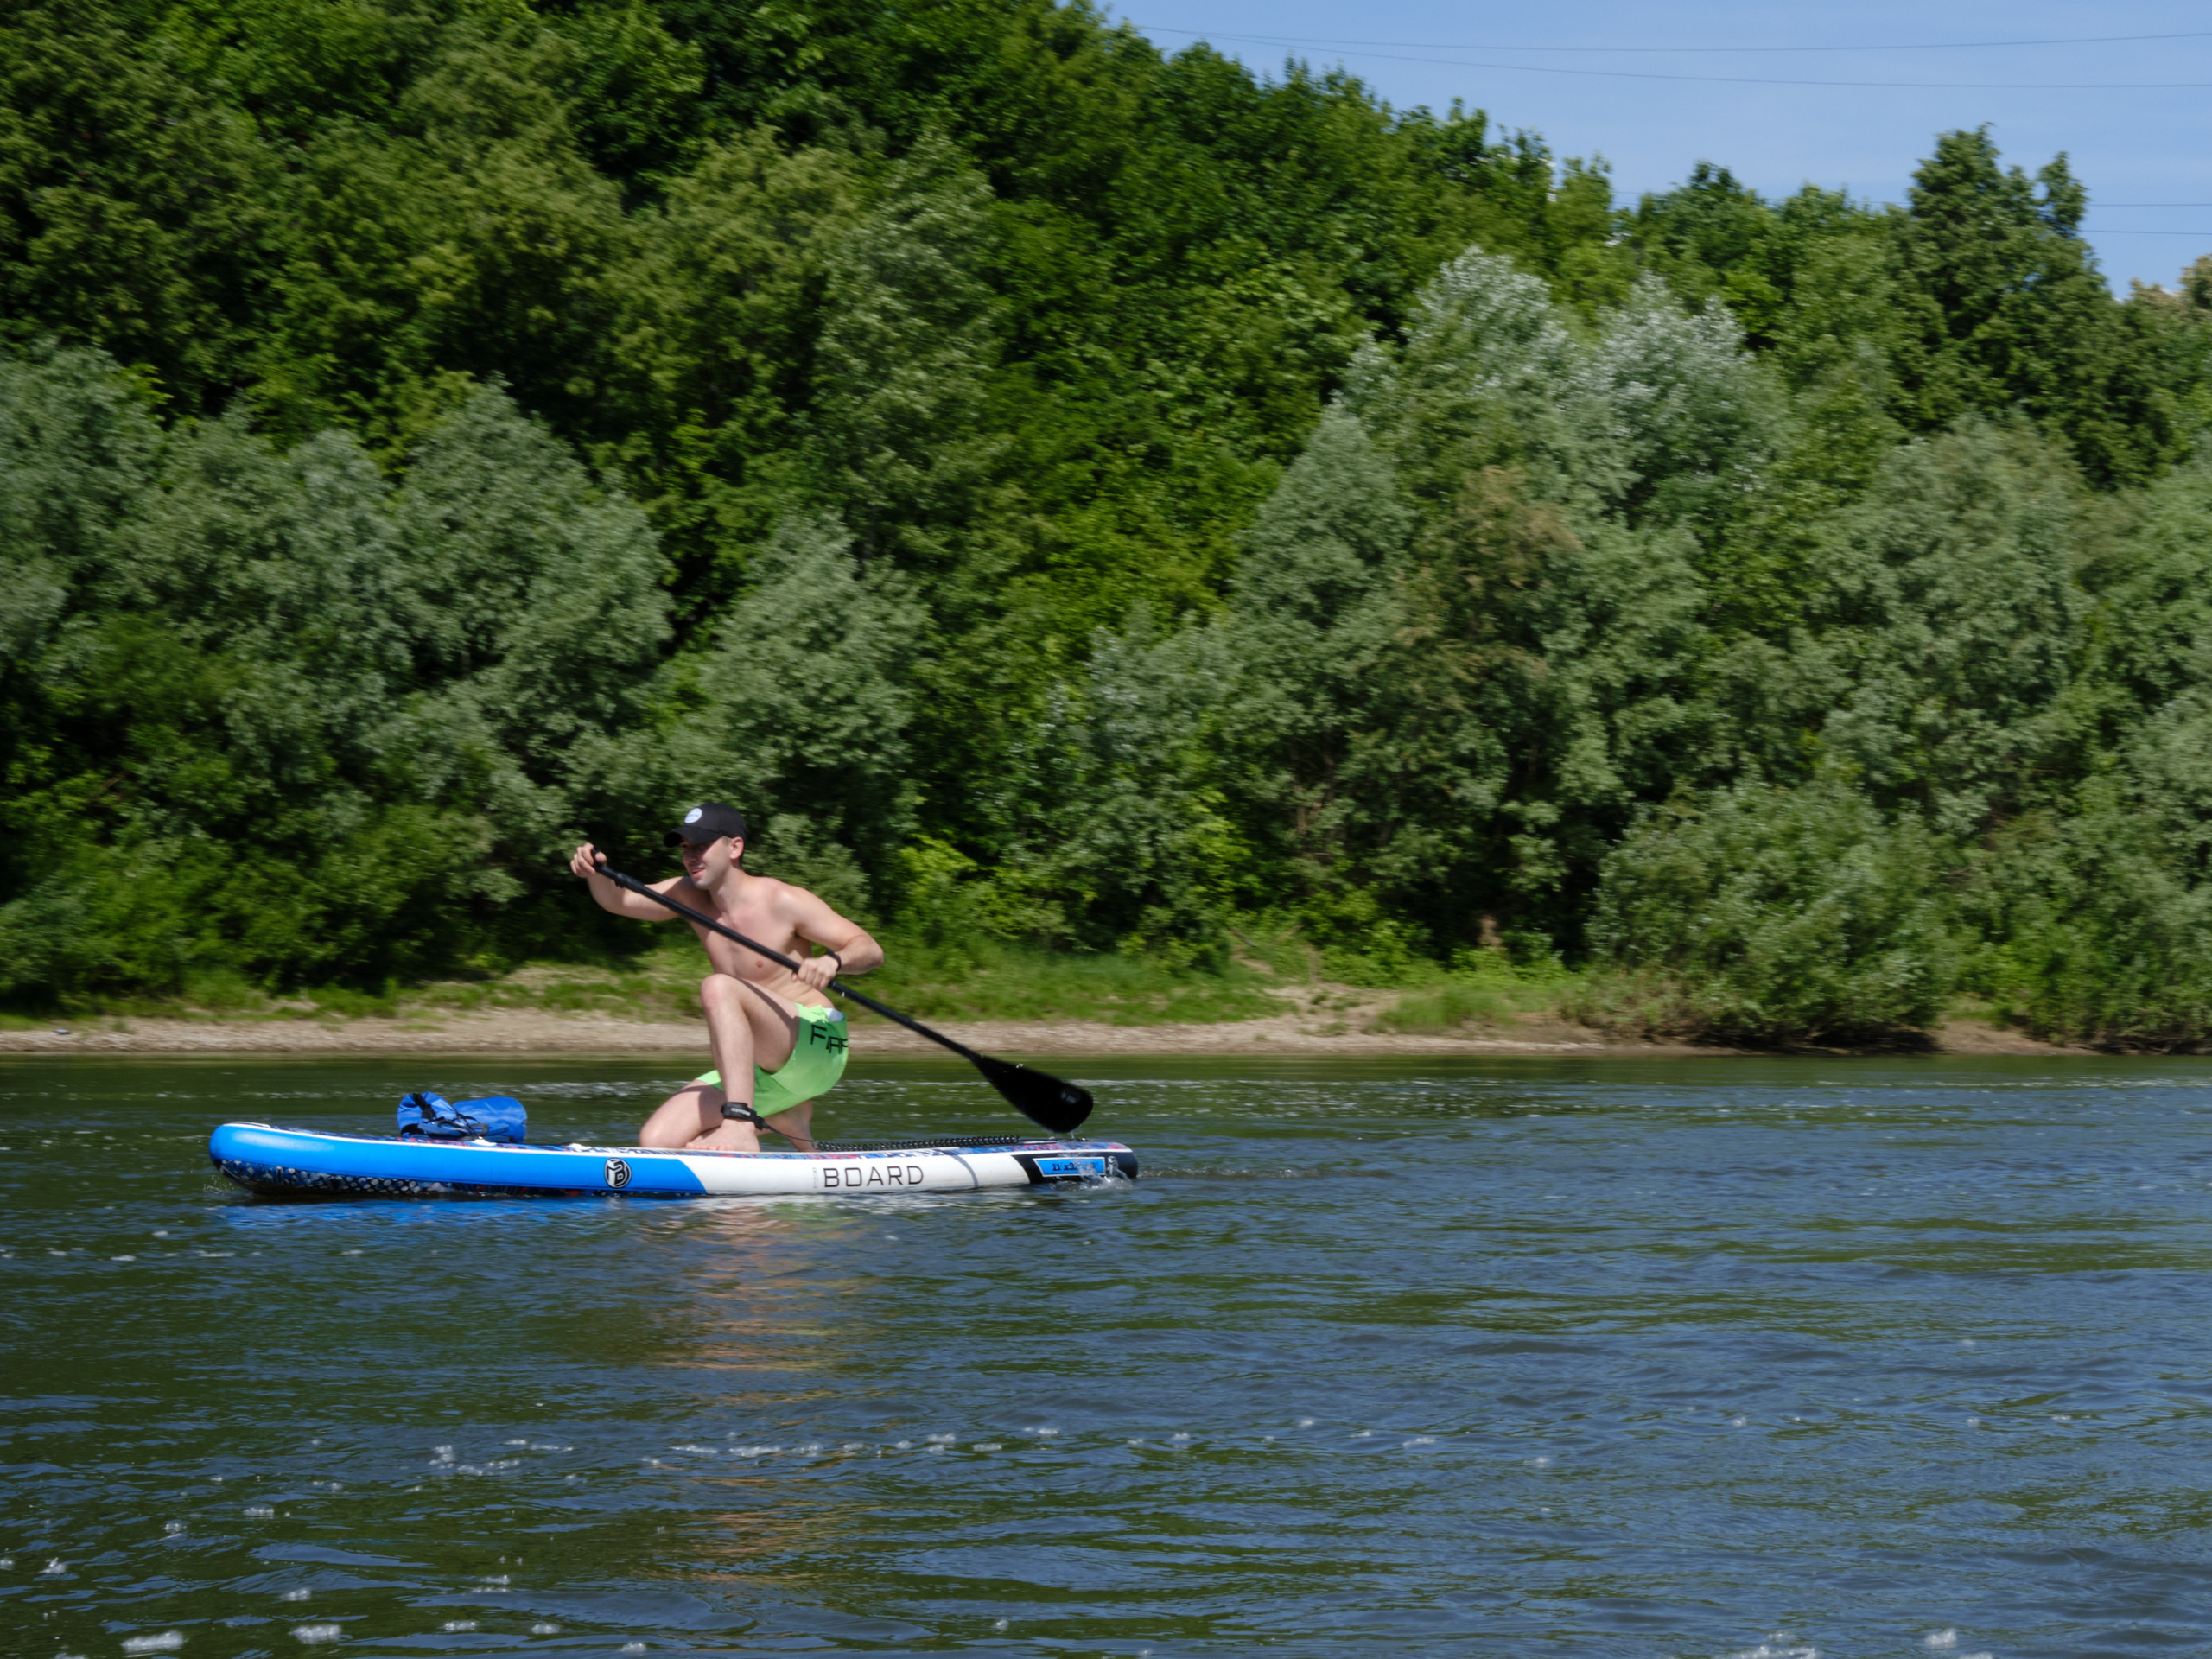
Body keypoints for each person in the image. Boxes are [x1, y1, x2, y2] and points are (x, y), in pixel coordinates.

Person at [569, 803, 882, 1153]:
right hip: (762, 1064)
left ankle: (739, 1122)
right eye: (686, 847)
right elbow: (621, 900)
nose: (691, 855)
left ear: (735, 847)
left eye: (701, 845)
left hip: (817, 1043)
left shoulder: (783, 900)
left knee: (718, 987)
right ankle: (785, 1116)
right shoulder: (688, 896)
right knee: (657, 1142)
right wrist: (594, 872)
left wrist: (834, 961)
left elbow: (869, 949)